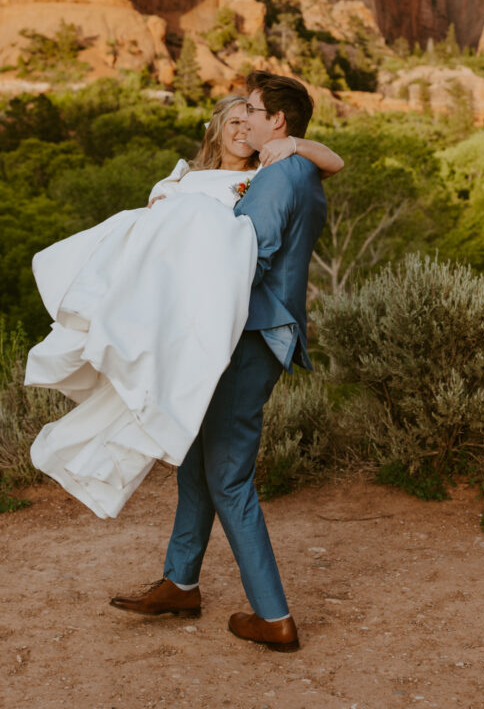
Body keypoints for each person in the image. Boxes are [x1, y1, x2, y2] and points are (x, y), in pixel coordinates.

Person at [109, 71, 343, 652]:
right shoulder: (297, 168)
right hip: (250, 338)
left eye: (255, 110)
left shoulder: (277, 176)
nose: (247, 116)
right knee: (195, 458)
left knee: (229, 477)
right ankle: (180, 581)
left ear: (277, 122)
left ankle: (273, 616)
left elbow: (244, 262)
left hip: (246, 341)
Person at [25, 91, 340, 520]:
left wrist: (296, 144)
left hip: (212, 304)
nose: (242, 129)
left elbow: (332, 162)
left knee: (203, 445)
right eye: (233, 122)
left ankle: (181, 576)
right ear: (216, 129)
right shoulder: (185, 178)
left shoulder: (265, 175)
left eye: (249, 120)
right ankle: (180, 580)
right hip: (165, 289)